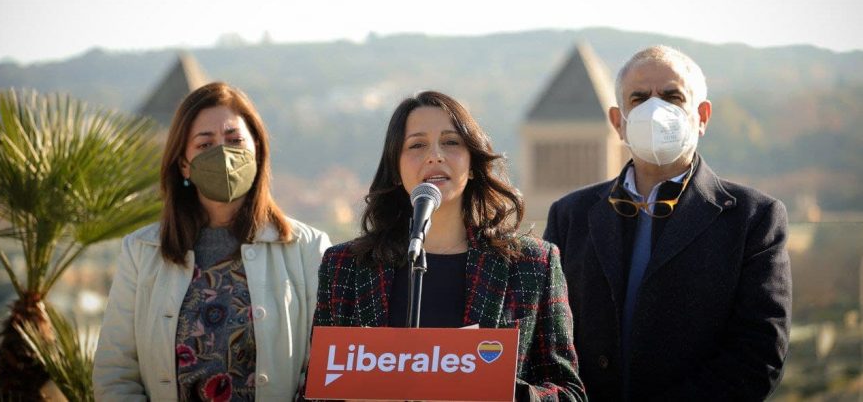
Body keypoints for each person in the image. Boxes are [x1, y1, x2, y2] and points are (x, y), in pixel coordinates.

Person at [544, 46, 792, 401]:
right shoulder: (570, 216)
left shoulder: (753, 219)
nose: (654, 109)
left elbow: (758, 354)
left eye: (672, 97)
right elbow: (547, 337)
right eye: (639, 98)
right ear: (618, 122)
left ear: (702, 116)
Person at [312, 90, 587, 401]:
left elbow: (570, 393)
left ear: (472, 163)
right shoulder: (345, 266)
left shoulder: (531, 264)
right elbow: (316, 390)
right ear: (396, 168)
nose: (435, 155)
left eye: (451, 142)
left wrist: (500, 389)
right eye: (417, 145)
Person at [94, 82, 331, 401]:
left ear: (257, 149)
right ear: (184, 164)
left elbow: (325, 368)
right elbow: (115, 373)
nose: (223, 154)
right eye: (205, 144)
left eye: (234, 140)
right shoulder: (141, 251)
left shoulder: (308, 248)